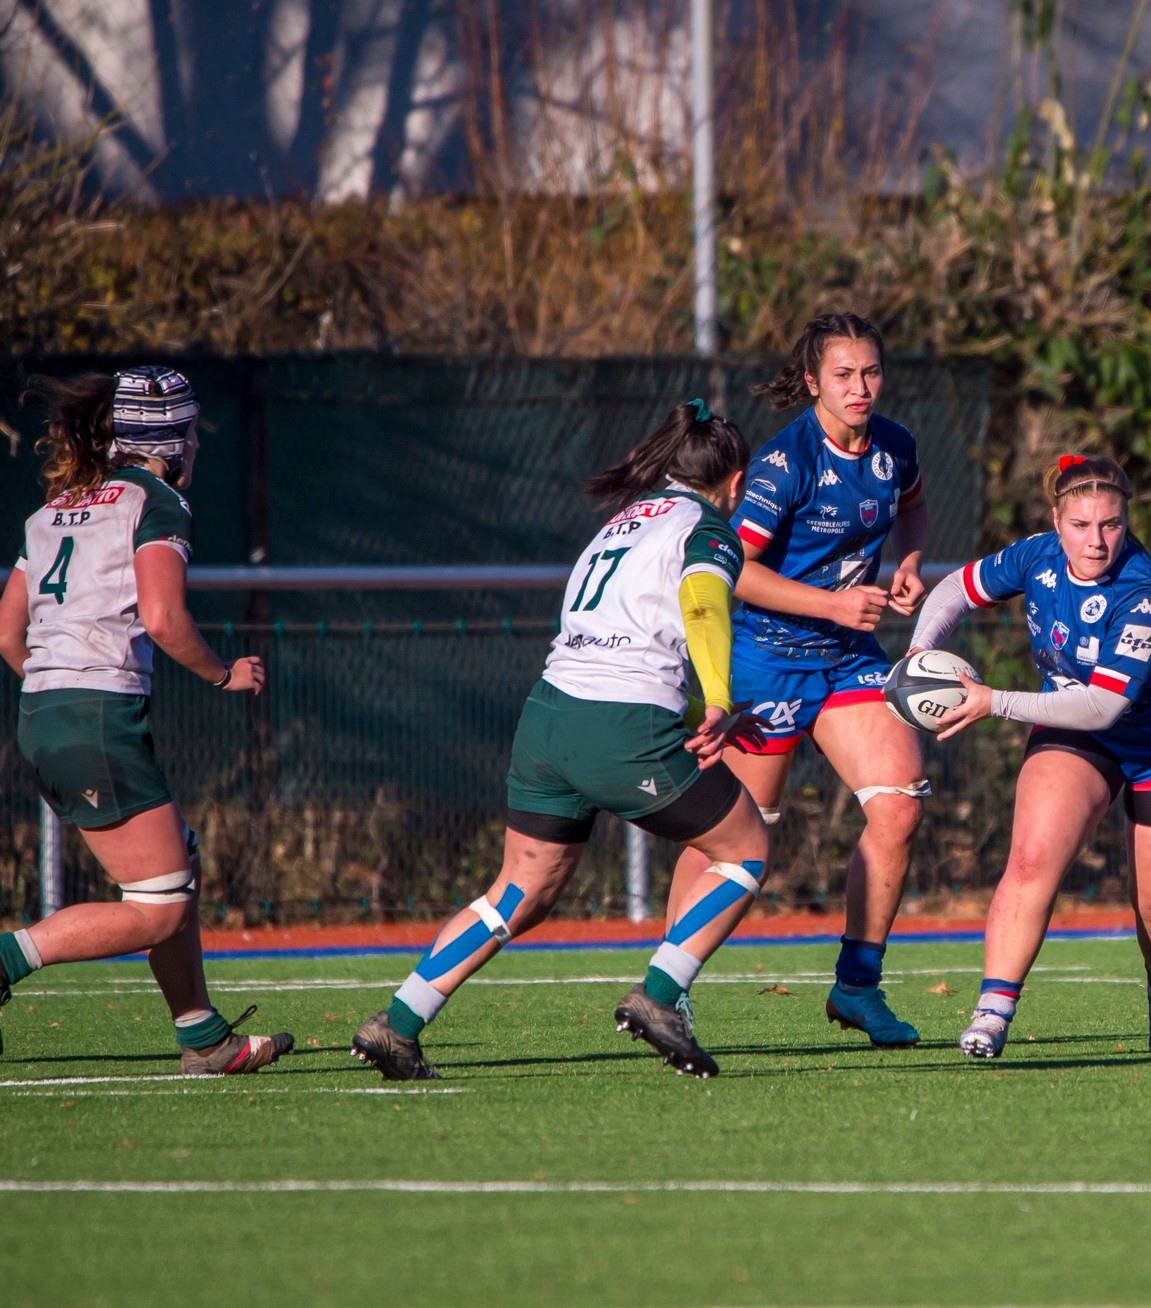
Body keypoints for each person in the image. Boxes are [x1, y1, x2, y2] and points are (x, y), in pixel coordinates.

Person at [352, 400, 770, 1080]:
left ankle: (398, 1024)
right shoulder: (710, 529)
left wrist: (704, 708)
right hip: (622, 726)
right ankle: (660, 995)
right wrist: (719, 699)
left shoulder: (624, 522)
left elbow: (619, 639)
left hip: (548, 718)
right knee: (745, 850)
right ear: (737, 479)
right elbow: (700, 605)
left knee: (519, 892)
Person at [0, 366, 291, 1075]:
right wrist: (224, 673)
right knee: (159, 909)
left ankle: (204, 1038)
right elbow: (163, 619)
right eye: (191, 433)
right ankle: (6, 959)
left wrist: (59, 691)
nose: (196, 445)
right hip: (97, 717)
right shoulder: (157, 501)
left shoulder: (55, 507)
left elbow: (8, 635)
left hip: (42, 711)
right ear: (172, 440)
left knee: (175, 869)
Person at [906, 454, 1151, 1058]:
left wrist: (995, 702)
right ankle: (992, 1013)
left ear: (1127, 522)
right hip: (1078, 730)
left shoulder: (1145, 593)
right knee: (1031, 859)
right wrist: (920, 654)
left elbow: (1103, 706)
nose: (1096, 541)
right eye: (1081, 525)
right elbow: (955, 588)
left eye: (1111, 524)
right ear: (1057, 521)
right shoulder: (1036, 555)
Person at [675, 311, 931, 1048]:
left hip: (848, 657)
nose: (860, 387)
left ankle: (858, 988)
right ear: (814, 381)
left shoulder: (895, 446)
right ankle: (669, 989)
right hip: (767, 661)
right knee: (729, 834)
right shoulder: (785, 465)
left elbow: (913, 507)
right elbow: (735, 571)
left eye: (871, 372)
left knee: (900, 807)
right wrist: (833, 604)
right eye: (844, 375)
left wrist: (910, 563)